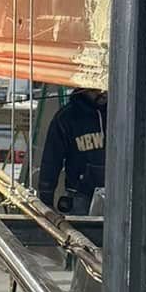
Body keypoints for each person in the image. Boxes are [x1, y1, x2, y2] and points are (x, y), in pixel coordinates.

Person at [35, 86, 107, 215]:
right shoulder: (67, 118)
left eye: (105, 89)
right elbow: (51, 160)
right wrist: (46, 201)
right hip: (80, 195)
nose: (103, 93)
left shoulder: (122, 114)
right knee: (81, 233)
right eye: (95, 90)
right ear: (83, 89)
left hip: (120, 193)